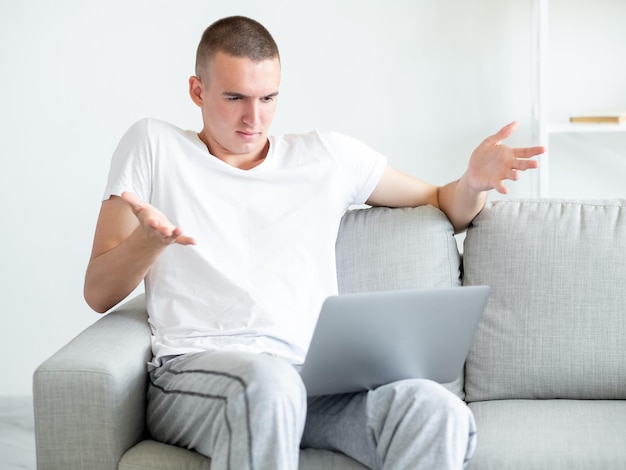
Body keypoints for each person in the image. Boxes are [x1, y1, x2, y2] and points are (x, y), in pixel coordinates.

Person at [84, 15, 543, 470]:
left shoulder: (327, 157)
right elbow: (98, 292)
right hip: (196, 372)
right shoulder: (154, 145)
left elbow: (445, 205)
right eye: (235, 98)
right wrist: (148, 242)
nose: (254, 117)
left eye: (268, 98)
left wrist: (473, 183)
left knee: (434, 411)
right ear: (197, 91)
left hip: (311, 381)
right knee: (267, 387)